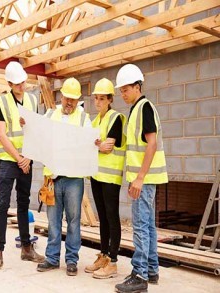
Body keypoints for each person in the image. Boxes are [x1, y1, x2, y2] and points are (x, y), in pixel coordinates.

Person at [114, 64, 168, 293]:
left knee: (140, 226)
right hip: (144, 179)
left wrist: (139, 178)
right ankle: (152, 270)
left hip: (144, 180)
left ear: (137, 87)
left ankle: (140, 276)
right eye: (121, 91)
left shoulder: (144, 108)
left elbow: (152, 143)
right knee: (148, 226)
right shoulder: (136, 109)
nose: (123, 94)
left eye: (125, 90)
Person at [0, 61, 44, 272]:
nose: (22, 86)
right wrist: (19, 158)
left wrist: (27, 158)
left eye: (24, 82)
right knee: (3, 205)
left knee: (23, 203)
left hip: (26, 160)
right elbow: (2, 134)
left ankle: (27, 248)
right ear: (10, 83)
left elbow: (35, 130)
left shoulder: (32, 99)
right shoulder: (1, 102)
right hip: (9, 160)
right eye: (18, 83)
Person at [36, 77, 91, 276]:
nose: (69, 103)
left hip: (74, 179)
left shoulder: (84, 119)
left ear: (78, 100)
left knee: (74, 220)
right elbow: (38, 135)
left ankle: (71, 260)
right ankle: (51, 258)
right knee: (53, 220)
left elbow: (90, 144)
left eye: (73, 100)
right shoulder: (50, 115)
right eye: (67, 98)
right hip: (52, 177)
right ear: (61, 97)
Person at [84, 78, 126, 279]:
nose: (98, 102)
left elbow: (108, 146)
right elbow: (90, 145)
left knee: (112, 216)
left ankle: (114, 262)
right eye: (96, 98)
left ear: (110, 99)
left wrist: (97, 145)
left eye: (102, 98)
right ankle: (104, 255)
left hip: (110, 177)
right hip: (97, 175)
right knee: (102, 218)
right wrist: (96, 145)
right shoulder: (95, 121)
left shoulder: (116, 118)